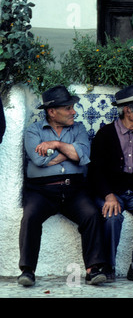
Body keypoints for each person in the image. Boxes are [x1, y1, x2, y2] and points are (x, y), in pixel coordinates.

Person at [18, 85, 107, 286]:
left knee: (92, 214)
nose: (73, 112)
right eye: (68, 108)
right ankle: (27, 270)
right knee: (30, 216)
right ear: (52, 111)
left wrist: (55, 145)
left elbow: (83, 155)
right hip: (41, 191)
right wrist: (70, 153)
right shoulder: (33, 130)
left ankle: (93, 269)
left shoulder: (79, 128)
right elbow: (38, 159)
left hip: (74, 189)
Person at [88, 85, 133, 284]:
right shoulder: (104, 135)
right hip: (112, 192)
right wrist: (108, 195)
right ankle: (108, 266)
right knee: (111, 216)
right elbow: (95, 171)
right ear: (128, 110)